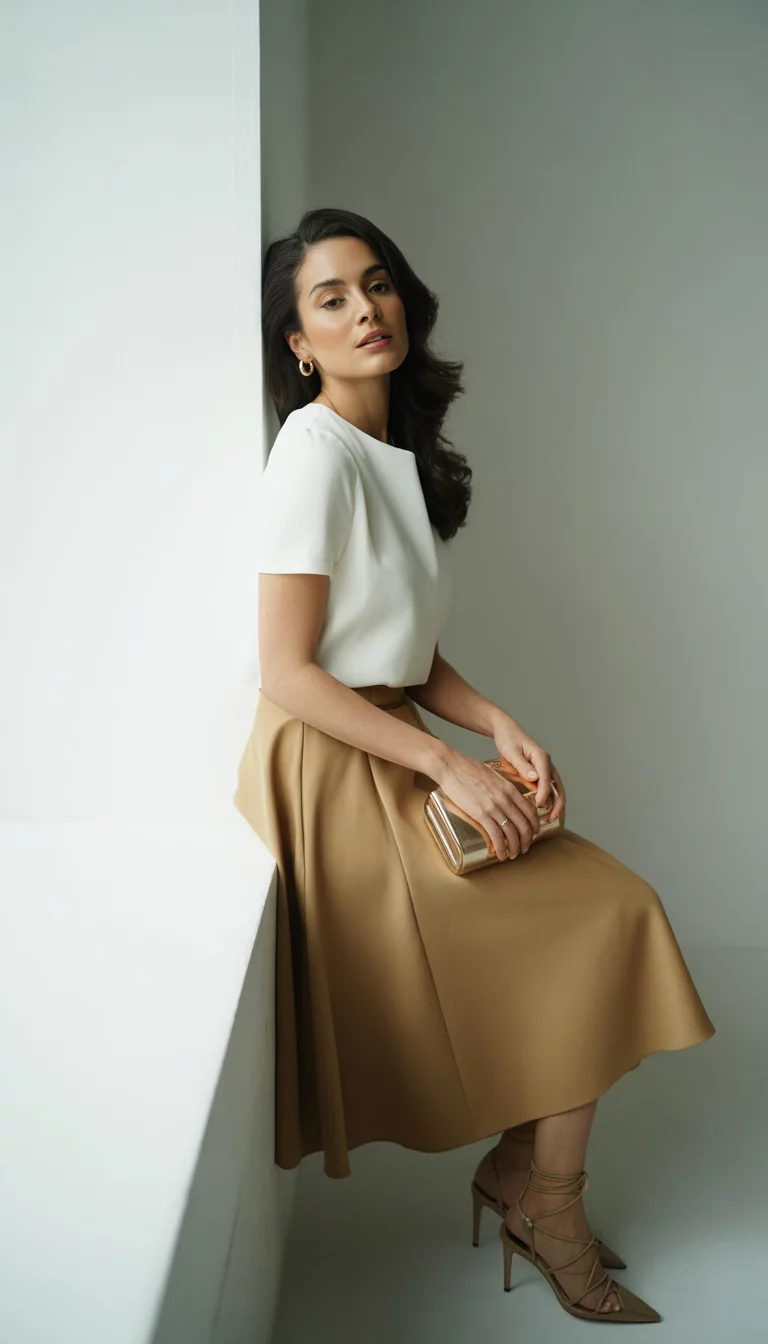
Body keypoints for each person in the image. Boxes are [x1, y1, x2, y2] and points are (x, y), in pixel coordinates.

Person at [232, 206, 716, 1324]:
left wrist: (493, 722)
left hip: (386, 741)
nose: (366, 310)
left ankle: (533, 1185)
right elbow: (290, 673)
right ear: (298, 341)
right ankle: (543, 1199)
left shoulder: (386, 448)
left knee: (607, 917)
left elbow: (396, 643)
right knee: (604, 918)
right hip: (334, 774)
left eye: (377, 284)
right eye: (332, 299)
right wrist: (447, 770)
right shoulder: (311, 454)